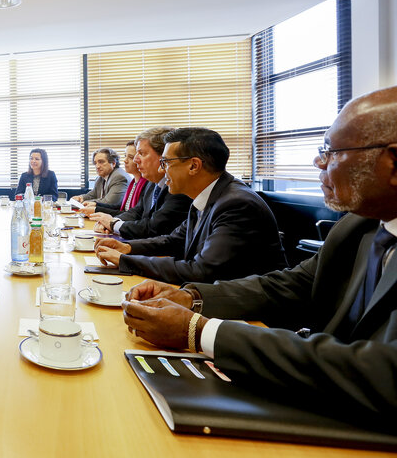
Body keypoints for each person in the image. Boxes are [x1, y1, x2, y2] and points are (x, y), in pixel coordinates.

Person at [121, 86, 397, 419]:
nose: (318, 161)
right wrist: (191, 298)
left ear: (393, 163)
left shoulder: (236, 202)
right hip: (313, 377)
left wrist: (200, 330)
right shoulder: (361, 225)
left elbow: (384, 373)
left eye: (332, 151)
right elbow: (291, 283)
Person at [95, 128, 287, 284]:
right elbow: (173, 240)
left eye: (167, 162)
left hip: (252, 319)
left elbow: (200, 271)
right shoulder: (208, 195)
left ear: (194, 166)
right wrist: (126, 247)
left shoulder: (236, 204)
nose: (163, 168)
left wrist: (126, 260)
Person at [86, 128, 191, 239]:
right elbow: (136, 211)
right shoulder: (152, 183)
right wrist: (112, 222)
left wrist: (113, 224)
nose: (136, 160)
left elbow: (155, 228)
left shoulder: (178, 187)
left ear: (163, 156)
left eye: (141, 153)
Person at [81, 141, 147, 216]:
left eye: (101, 162)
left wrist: (96, 208)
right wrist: (82, 198)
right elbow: (93, 194)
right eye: (95, 163)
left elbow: (111, 203)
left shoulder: (120, 177)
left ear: (113, 163)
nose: (97, 166)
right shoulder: (134, 182)